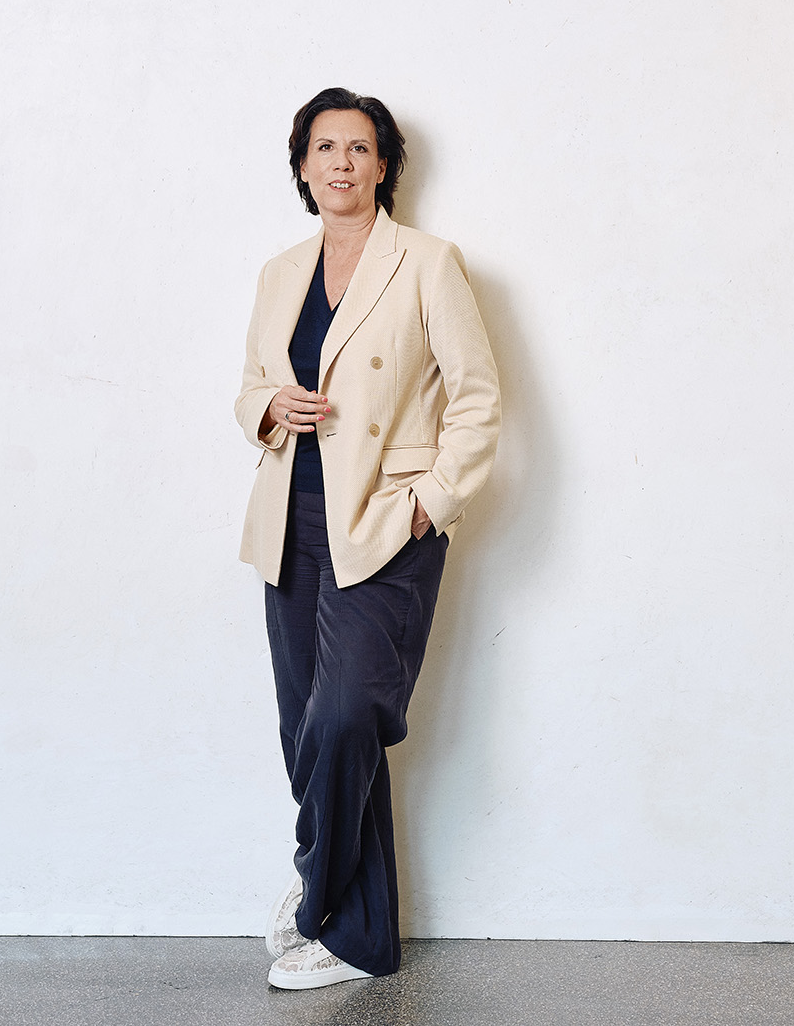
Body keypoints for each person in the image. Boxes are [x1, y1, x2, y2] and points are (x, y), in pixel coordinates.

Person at [235, 87, 500, 990]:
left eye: (358, 147)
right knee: (306, 724)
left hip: (386, 520)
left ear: (384, 165)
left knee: (346, 713)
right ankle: (359, 939)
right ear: (303, 166)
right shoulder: (280, 272)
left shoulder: (426, 262)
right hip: (290, 518)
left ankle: (316, 888)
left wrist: (431, 500)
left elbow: (478, 398)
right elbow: (248, 385)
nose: (341, 162)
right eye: (324, 147)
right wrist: (269, 404)